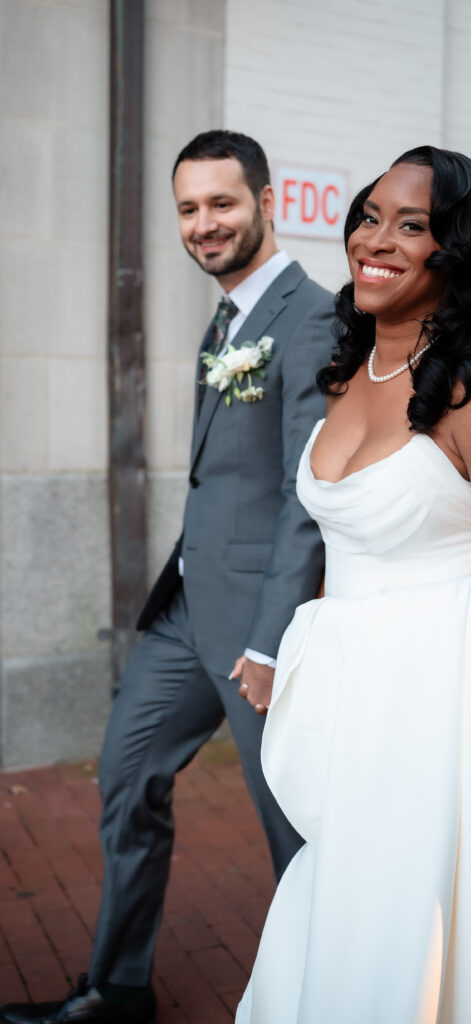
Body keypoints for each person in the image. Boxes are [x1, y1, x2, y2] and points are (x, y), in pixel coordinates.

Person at [234, 147, 471, 1024]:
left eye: (413, 225)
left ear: (458, 257)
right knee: (339, 921)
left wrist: (353, 633)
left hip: (445, 714)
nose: (377, 239)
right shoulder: (349, 375)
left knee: (414, 938)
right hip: (359, 705)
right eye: (369, 216)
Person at [0, 130, 333, 1024]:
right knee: (125, 771)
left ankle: (339, 994)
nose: (203, 224)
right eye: (187, 209)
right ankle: (118, 987)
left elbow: (307, 495)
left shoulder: (311, 317)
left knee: (292, 827)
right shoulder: (228, 317)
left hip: (261, 627)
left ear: (268, 200)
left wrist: (270, 641)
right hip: (186, 609)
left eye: (221, 203)